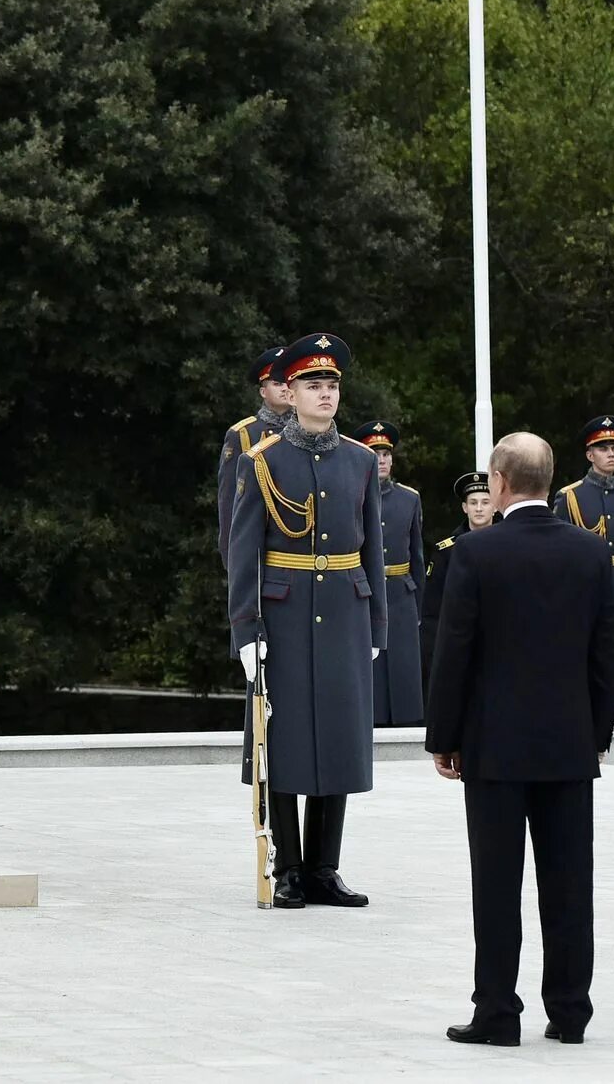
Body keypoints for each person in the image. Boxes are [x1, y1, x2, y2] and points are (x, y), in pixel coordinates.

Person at [427, 432, 614, 1047]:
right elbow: (606, 654)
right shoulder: (591, 554)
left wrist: (444, 737)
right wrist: (596, 734)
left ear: (500, 483)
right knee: (569, 885)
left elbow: (453, 652)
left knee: (497, 884)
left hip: (494, 746)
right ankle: (569, 1013)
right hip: (568, 745)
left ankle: (498, 1014)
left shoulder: (475, 554)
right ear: (552, 479)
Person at [221, 333, 385, 909]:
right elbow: (243, 552)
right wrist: (247, 629)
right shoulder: (261, 461)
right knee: (286, 744)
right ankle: (288, 867)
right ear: (288, 392)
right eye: (313, 384)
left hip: (345, 612)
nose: (325, 394)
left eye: (332, 384)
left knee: (338, 742)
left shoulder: (362, 462)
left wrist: (378, 629)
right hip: (285, 617)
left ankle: (324, 867)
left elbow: (372, 551)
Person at [553, 415, 614, 715]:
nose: (611, 454)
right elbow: (559, 555)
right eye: (603, 448)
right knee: (588, 660)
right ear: (590, 454)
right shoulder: (570, 496)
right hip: (586, 587)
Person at [359, 421, 426, 726]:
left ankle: (408, 724)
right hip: (368, 591)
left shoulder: (409, 498)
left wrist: (419, 604)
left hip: (401, 591)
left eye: (386, 453)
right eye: (375, 453)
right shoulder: (355, 495)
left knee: (404, 666)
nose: (382, 459)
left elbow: (417, 553)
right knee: (370, 667)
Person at [217, 346, 293, 568]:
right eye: (277, 383)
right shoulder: (243, 434)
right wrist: (231, 557)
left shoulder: (310, 432)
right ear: (263, 391)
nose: (284, 389)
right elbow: (229, 499)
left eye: (288, 383)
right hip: (258, 540)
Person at [421, 469, 493, 680]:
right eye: (473, 503)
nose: (479, 508)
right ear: (464, 507)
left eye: (485, 502)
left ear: (495, 505)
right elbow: (432, 610)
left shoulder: (510, 546)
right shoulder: (446, 551)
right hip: (460, 645)